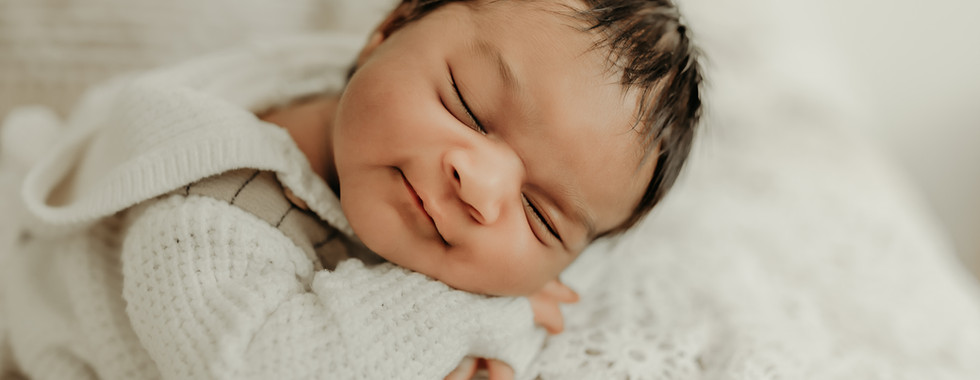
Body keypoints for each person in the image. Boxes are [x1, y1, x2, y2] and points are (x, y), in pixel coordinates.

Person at [0, 0, 702, 379]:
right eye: (466, 105)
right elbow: (265, 367)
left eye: (540, 216)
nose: (480, 188)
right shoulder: (210, 206)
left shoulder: (397, 121)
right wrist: (489, 307)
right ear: (384, 32)